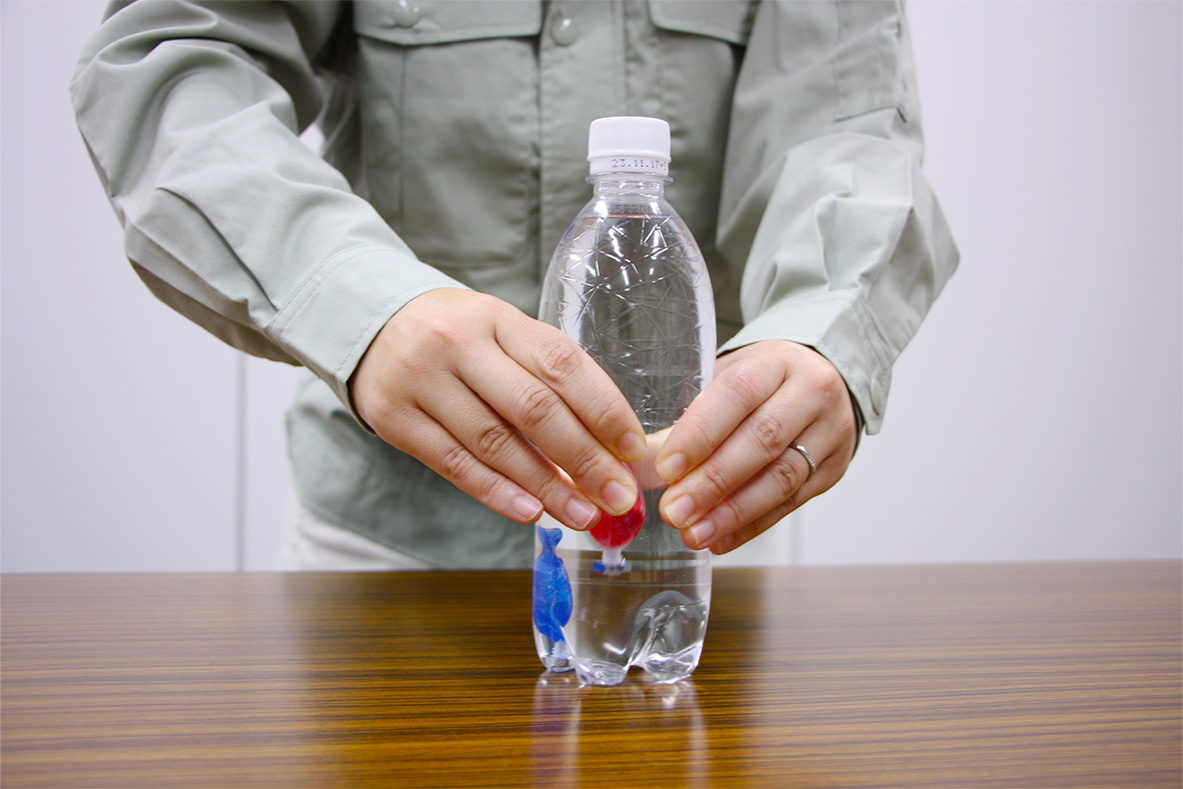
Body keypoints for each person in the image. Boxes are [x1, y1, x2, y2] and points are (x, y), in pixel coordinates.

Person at [71, 0, 958, 569]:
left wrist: (821, 333)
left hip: (685, 542)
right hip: (384, 547)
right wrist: (361, 308)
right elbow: (172, 54)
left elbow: (850, 122)